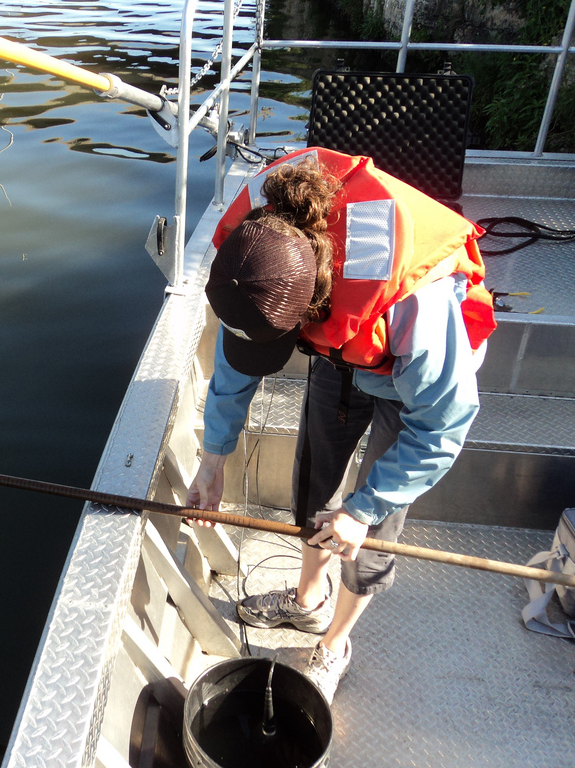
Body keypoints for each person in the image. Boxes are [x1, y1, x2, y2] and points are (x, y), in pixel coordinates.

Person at [187, 147, 495, 705]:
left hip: (410, 383)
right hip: (344, 352)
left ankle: (335, 644)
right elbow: (237, 360)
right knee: (316, 485)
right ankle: (307, 605)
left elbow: (443, 426)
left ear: (313, 300)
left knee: (368, 532)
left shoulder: (414, 307)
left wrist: (365, 509)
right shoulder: (256, 242)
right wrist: (214, 457)